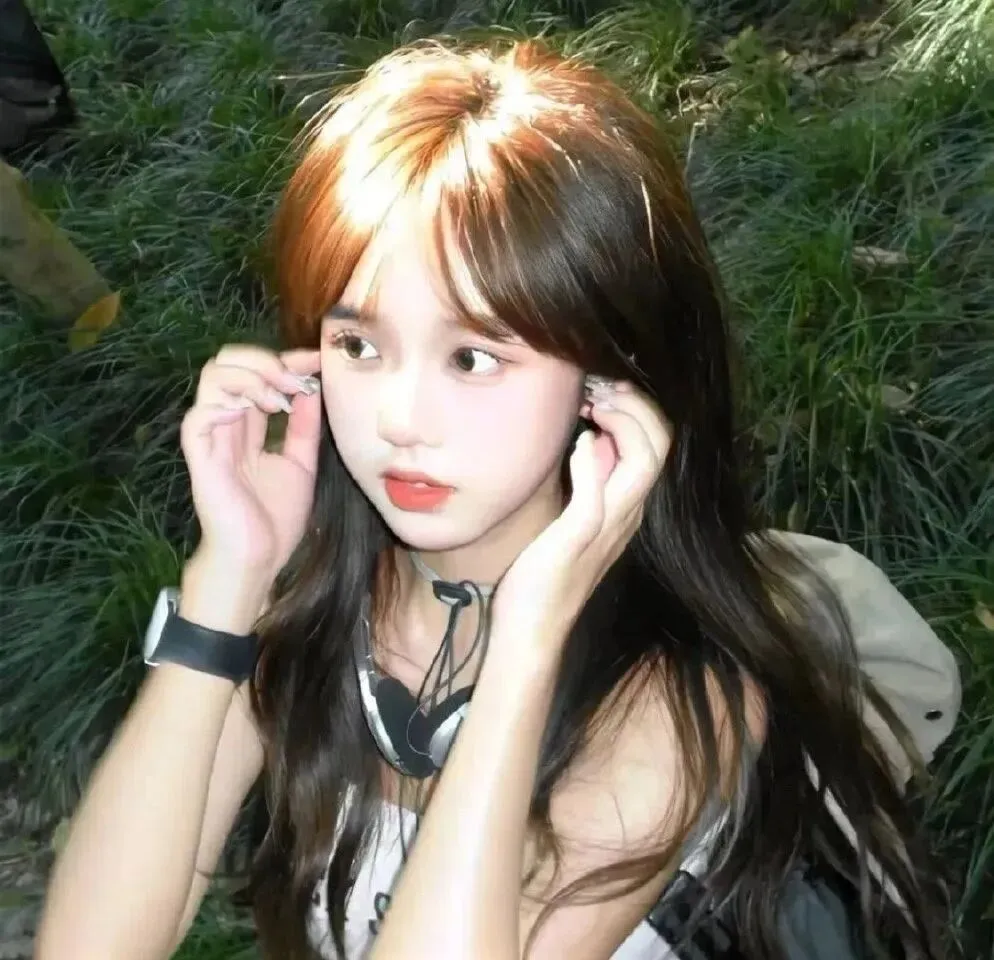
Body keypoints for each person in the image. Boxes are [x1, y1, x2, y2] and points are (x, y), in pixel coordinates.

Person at [36, 39, 961, 960]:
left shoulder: (673, 695)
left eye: (473, 358)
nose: (399, 420)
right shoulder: (319, 600)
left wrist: (526, 644)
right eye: (359, 347)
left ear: (609, 379)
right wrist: (228, 581)